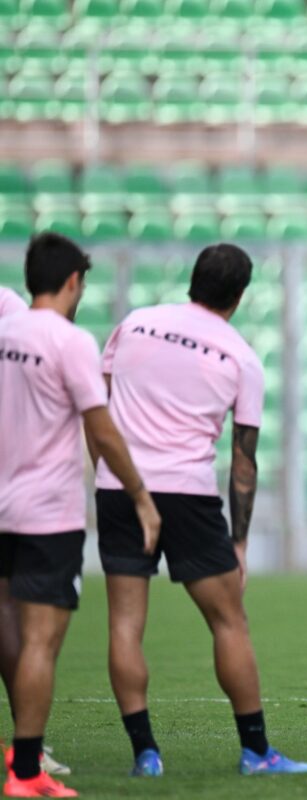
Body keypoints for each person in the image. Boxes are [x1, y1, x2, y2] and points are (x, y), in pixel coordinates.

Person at [94, 244, 307, 777]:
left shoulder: (133, 324)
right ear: (239, 296)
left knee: (125, 624)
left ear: (192, 280)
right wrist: (239, 543)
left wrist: (107, 472)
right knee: (228, 622)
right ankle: (256, 752)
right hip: (188, 495)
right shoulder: (240, 356)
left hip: (120, 488)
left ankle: (145, 754)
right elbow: (244, 462)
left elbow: (97, 406)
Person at [0, 233, 161, 798]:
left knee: (9, 628)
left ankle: (24, 760)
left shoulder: (3, 333)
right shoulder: (69, 342)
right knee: (42, 642)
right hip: (47, 513)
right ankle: (25, 772)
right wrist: (139, 495)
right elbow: (101, 426)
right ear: (73, 282)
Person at [0, 286, 70, 779]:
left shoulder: (8, 310)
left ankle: (27, 749)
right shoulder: (14, 313)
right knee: (28, 627)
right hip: (24, 492)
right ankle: (28, 754)